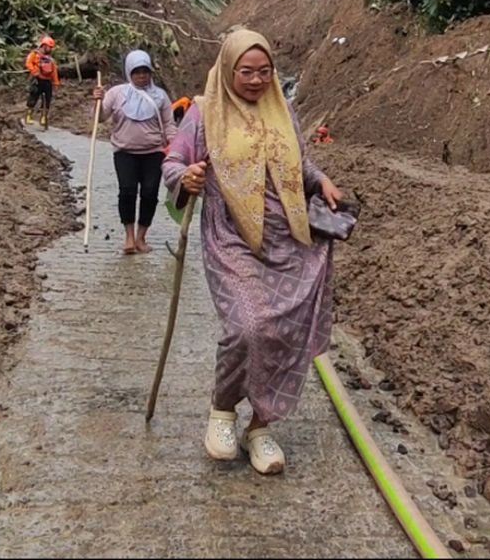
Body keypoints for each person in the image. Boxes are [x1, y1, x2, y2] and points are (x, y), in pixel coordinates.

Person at [162, 28, 343, 476]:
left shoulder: (282, 110)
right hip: (232, 238)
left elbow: (298, 162)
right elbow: (173, 161)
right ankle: (222, 411)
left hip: (290, 240)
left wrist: (320, 180)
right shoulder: (205, 112)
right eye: (247, 71)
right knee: (248, 326)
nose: (257, 80)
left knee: (284, 332)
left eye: (265, 72)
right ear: (228, 70)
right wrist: (186, 177)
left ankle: (260, 427)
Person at [92, 50, 175, 255]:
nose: (141, 76)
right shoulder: (116, 93)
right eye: (137, 72)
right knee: (127, 191)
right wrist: (97, 102)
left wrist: (174, 146)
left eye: (145, 71)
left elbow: (169, 124)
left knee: (149, 193)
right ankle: (128, 236)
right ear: (129, 72)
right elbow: (100, 118)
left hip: (154, 152)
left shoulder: (160, 96)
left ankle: (141, 237)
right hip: (124, 152)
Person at [23, 36, 59, 128]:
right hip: (37, 80)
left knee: (47, 99)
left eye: (51, 47)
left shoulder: (50, 59)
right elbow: (28, 63)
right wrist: (33, 70)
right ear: (44, 45)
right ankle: (28, 116)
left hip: (47, 81)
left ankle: (43, 117)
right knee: (33, 97)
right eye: (49, 47)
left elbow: (54, 71)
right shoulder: (34, 54)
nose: (50, 49)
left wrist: (56, 82)